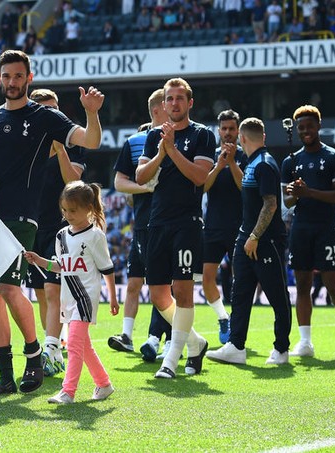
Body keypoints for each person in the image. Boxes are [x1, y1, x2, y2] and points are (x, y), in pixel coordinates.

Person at [0, 50, 104, 395]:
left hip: (21, 217)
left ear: (29, 78)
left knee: (10, 289)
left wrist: (91, 113)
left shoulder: (46, 116)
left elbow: (90, 140)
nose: (12, 83)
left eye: (18, 76)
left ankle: (34, 356)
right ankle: (4, 376)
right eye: (6, 76)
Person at [135, 78, 212, 379]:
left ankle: (171, 359)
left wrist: (173, 151)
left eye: (180, 98)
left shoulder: (202, 134)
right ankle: (195, 343)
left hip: (187, 222)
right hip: (157, 221)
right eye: (170, 99)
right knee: (157, 294)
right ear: (163, 104)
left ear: (189, 103)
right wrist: (161, 152)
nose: (175, 103)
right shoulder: (154, 136)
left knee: (182, 290)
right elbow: (141, 177)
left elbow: (199, 177)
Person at [206, 117, 292, 365]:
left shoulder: (264, 164)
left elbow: (271, 204)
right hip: (246, 239)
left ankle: (281, 349)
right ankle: (235, 345)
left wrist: (255, 236)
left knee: (277, 296)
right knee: (240, 294)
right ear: (262, 136)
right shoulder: (254, 162)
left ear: (242, 138)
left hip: (266, 241)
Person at [24, 181, 119, 404]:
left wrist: (113, 297)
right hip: (68, 299)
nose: (67, 215)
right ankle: (104, 384)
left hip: (85, 299)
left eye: (73, 210)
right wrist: (40, 261)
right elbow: (60, 266)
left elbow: (108, 269)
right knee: (83, 345)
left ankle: (68, 391)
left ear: (88, 208)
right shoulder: (61, 236)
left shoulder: (95, 236)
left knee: (74, 345)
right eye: (64, 210)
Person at [280, 105, 335, 357]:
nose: (305, 131)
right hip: (300, 228)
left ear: (318, 126)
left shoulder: (334, 156)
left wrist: (308, 192)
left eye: (310, 126)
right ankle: (305, 342)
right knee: (303, 284)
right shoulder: (290, 161)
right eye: (301, 127)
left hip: (325, 228)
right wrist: (294, 192)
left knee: (332, 284)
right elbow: (287, 203)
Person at [107, 88, 173, 362]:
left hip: (171, 221)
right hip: (143, 223)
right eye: (168, 104)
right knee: (135, 281)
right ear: (158, 109)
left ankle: (167, 340)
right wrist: (145, 189)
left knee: (165, 284)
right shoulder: (135, 141)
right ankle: (128, 336)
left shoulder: (182, 138)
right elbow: (119, 183)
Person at [25, 88, 86, 377]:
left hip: (60, 227)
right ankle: (55, 348)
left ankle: (50, 350)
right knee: (41, 293)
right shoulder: (26, 143)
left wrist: (60, 147)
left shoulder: (71, 143)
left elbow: (74, 182)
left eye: (56, 108)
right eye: (47, 110)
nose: (54, 114)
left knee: (53, 290)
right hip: (31, 225)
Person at [202, 109, 244, 345]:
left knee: (240, 279)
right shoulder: (211, 156)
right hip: (214, 226)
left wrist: (233, 163)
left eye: (232, 128)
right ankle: (223, 318)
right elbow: (203, 187)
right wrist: (219, 166)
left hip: (239, 227)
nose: (228, 133)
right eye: (224, 128)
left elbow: (244, 188)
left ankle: (238, 323)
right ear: (218, 131)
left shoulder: (246, 155)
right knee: (208, 277)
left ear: (238, 131)